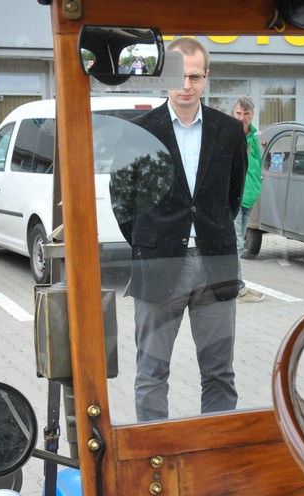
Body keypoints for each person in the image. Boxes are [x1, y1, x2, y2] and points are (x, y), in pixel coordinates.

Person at [110, 37, 247, 421]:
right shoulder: (137, 131)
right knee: (151, 373)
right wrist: (152, 242)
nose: (186, 85)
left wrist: (208, 231)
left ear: (207, 76)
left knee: (219, 373)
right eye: (179, 76)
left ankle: (215, 448)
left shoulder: (229, 131)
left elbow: (233, 196)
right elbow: (122, 202)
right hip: (158, 265)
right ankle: (155, 450)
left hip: (215, 265)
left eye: (195, 77)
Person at [231, 96, 265, 302]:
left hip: (247, 200)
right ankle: (238, 288)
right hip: (233, 201)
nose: (242, 117)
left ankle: (232, 285)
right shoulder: (229, 136)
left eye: (246, 114)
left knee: (238, 245)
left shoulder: (253, 138)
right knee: (236, 245)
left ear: (252, 115)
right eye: (238, 113)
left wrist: (255, 191)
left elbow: (256, 168)